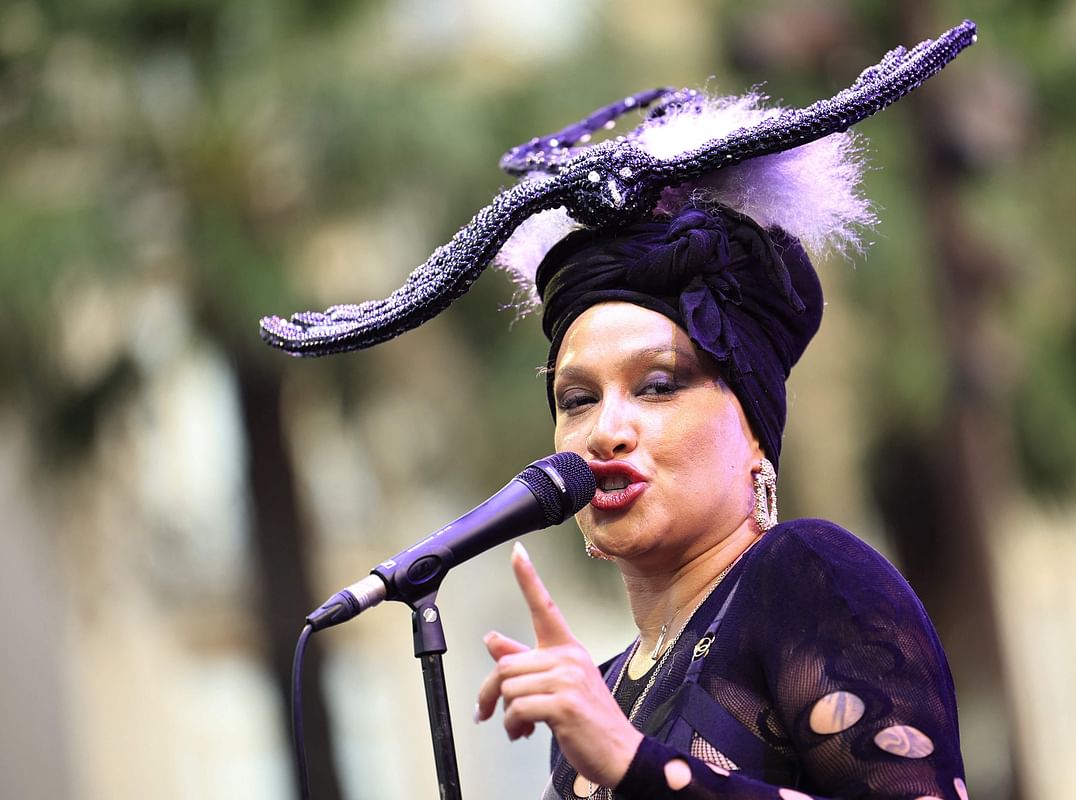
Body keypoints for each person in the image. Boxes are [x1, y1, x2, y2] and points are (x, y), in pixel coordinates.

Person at [258, 21, 978, 799]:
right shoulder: (592, 702)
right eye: (577, 399)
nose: (606, 430)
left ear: (752, 426)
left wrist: (634, 765)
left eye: (659, 384)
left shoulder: (809, 577)